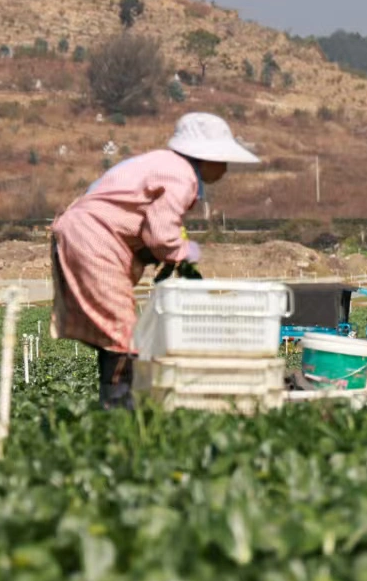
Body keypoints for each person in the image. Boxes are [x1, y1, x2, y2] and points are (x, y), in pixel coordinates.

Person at [50, 113, 260, 409]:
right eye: (222, 160)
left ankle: (115, 406)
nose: (225, 168)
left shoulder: (162, 164)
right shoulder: (181, 176)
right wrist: (185, 252)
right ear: (205, 157)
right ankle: (120, 411)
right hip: (94, 239)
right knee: (124, 334)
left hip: (84, 234)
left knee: (114, 333)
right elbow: (160, 234)